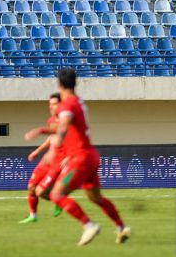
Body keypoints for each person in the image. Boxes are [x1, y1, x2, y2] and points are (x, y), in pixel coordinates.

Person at [46, 68, 131, 246]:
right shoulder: (79, 101)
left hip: (80, 158)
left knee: (56, 194)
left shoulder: (67, 105)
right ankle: (121, 227)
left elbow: (62, 128)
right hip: (91, 155)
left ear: (59, 84)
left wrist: (54, 149)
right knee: (95, 198)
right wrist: (42, 131)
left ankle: (89, 225)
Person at [19, 93, 63, 223]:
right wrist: (37, 151)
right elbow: (52, 138)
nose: (51, 107)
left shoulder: (68, 121)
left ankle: (60, 201)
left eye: (54, 104)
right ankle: (33, 215)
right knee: (31, 187)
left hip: (57, 162)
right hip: (46, 161)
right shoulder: (51, 121)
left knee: (41, 192)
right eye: (49, 104)